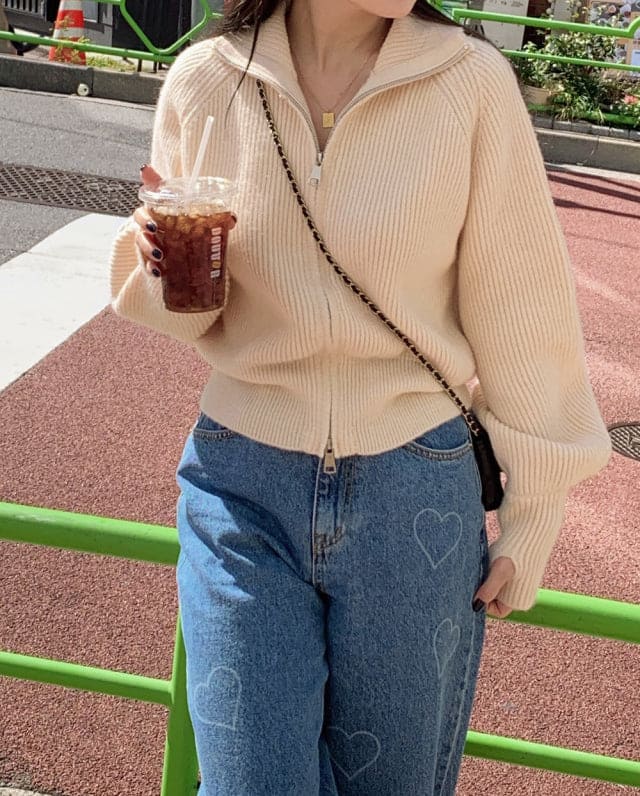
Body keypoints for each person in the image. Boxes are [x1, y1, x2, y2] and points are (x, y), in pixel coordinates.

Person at [108, 0, 612, 792]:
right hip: (242, 485)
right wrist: (162, 263)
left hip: (416, 490)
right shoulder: (208, 80)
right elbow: (191, 313)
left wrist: (536, 508)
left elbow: (522, 301)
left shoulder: (470, 83)